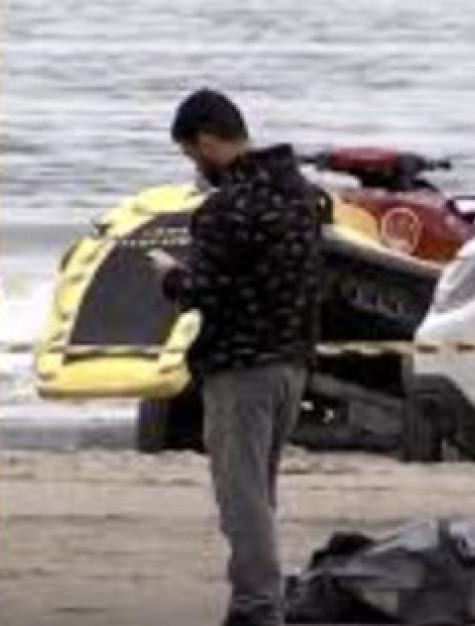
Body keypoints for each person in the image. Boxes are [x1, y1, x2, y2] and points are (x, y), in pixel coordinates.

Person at [151, 88, 331, 626]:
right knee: (260, 490)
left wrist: (170, 276)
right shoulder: (303, 195)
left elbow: (204, 291)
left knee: (241, 496)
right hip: (293, 361)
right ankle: (255, 597)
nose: (195, 166)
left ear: (208, 142)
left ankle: (257, 605)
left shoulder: (227, 208)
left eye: (191, 154)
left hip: (241, 367)